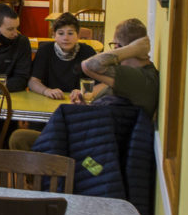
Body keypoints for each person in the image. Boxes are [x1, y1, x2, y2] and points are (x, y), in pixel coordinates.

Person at [10, 17, 159, 150]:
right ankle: (43, 179)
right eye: (61, 33)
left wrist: (134, 49)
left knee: (19, 138)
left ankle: (44, 179)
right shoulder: (135, 75)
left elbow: (89, 66)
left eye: (115, 45)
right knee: (23, 136)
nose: (65, 38)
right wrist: (84, 107)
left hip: (88, 146)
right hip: (88, 134)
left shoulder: (137, 77)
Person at [78, 18, 158, 117]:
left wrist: (133, 48)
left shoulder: (139, 77)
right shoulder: (140, 74)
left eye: (115, 45)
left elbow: (87, 65)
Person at [28, 12, 97, 100]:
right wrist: (46, 91)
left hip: (78, 101)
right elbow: (33, 81)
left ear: (78, 35)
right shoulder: (45, 50)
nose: (65, 38)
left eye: (70, 33)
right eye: (61, 33)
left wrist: (84, 91)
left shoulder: (88, 52)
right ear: (54, 35)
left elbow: (101, 83)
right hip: (49, 99)